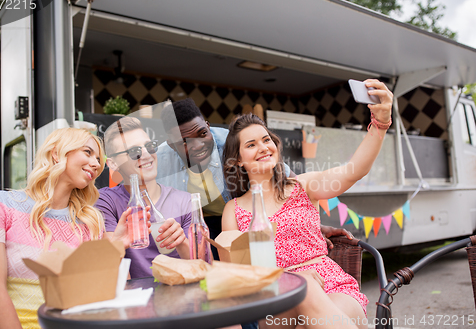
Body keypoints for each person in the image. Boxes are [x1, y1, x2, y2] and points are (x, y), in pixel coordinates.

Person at [222, 79, 393, 329]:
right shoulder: (233, 210)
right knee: (306, 289)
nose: (263, 147)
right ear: (238, 160)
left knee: (313, 304)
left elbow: (353, 171)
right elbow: (233, 277)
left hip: (333, 287)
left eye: (266, 139)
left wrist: (380, 124)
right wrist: (293, 279)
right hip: (275, 298)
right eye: (251, 145)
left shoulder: (303, 185)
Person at [0, 128, 143, 329]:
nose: (97, 164)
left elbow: (101, 292)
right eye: (88, 152)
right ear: (56, 153)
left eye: (99, 159)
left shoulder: (90, 222)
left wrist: (116, 248)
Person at [156, 98, 350, 257]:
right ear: (171, 145)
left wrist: (311, 227)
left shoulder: (234, 145)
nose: (197, 145)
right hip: (198, 226)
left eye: (202, 134)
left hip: (241, 219)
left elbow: (288, 180)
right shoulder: (161, 162)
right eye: (184, 142)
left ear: (207, 125)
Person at [96, 117, 191, 279]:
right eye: (134, 151)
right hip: (133, 298)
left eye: (150, 146)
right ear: (112, 164)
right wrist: (118, 247)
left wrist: (182, 243)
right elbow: (112, 277)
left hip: (180, 294)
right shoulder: (106, 201)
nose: (146, 154)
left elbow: (203, 264)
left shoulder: (184, 201)